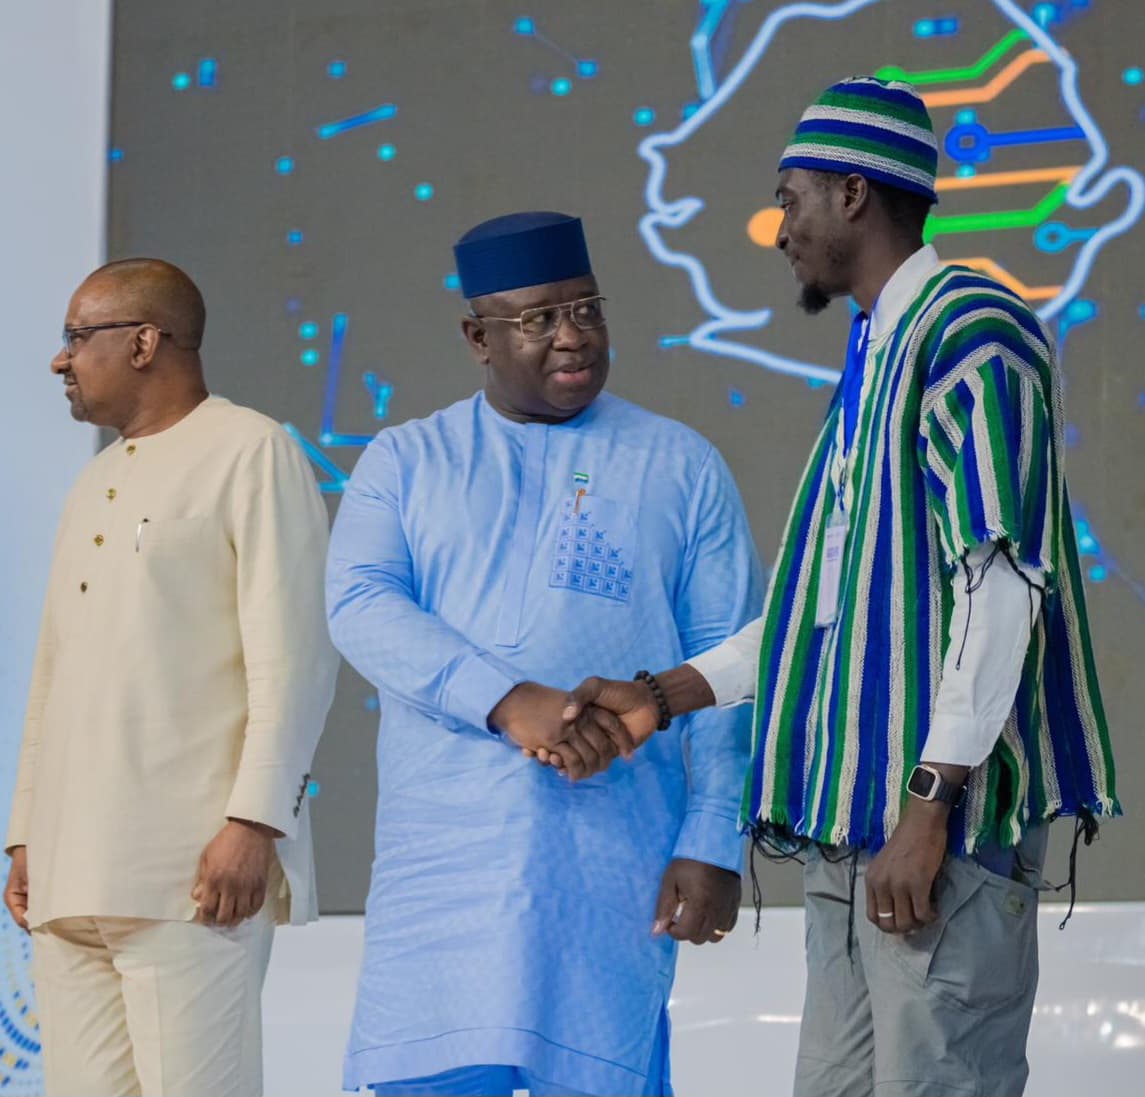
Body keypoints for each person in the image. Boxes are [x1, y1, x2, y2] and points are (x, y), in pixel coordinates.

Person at [560, 78, 1119, 1097]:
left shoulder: (970, 334)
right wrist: (659, 695)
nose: (780, 229)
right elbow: (821, 614)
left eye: (791, 198)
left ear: (853, 193)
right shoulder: (875, 355)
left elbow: (998, 585)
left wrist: (926, 805)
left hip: (934, 836)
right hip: (852, 829)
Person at [325, 210, 763, 1096]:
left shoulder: (680, 465)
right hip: (445, 864)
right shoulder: (406, 460)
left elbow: (728, 663)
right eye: (538, 319)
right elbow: (360, 603)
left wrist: (714, 838)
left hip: (611, 861)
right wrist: (504, 698)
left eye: (587, 310)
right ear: (476, 337)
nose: (572, 336)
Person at [3, 258, 339, 1097]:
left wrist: (253, 822)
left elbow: (295, 657)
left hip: (190, 875)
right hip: (71, 873)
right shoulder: (93, 480)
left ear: (145, 343)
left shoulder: (250, 450)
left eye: (78, 337)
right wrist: (27, 835)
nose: (60, 359)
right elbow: (53, 674)